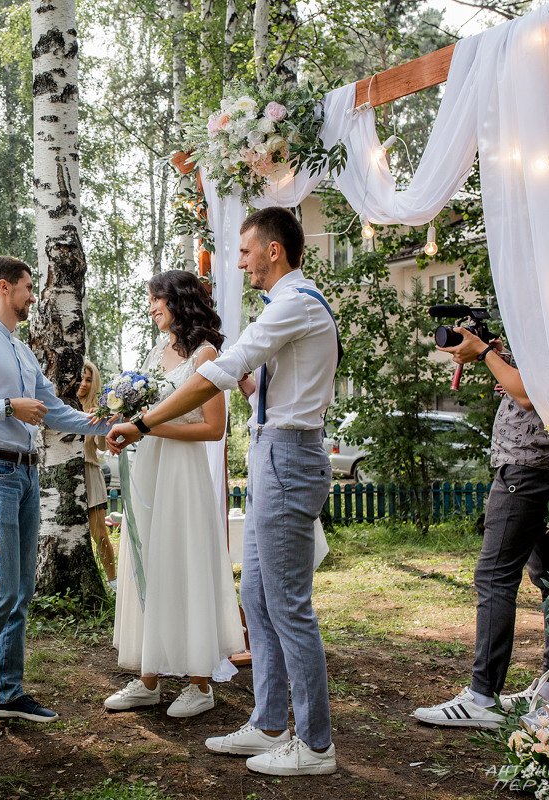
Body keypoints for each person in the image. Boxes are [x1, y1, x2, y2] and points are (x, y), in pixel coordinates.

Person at [109, 207, 339, 777]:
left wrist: (141, 423)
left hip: (288, 453)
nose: (240, 263)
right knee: (258, 598)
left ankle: (314, 744)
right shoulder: (288, 309)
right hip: (273, 451)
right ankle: (267, 724)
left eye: (244, 252)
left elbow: (220, 372)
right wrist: (246, 378)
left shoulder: (295, 304)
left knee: (287, 603)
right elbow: (257, 378)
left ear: (274, 251)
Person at [0, 255, 111, 736]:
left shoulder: (23, 351)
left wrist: (112, 424)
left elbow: (54, 411)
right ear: (4, 288)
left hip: (29, 476)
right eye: (29, 288)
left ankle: (7, 693)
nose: (35, 296)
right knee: (2, 591)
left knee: (22, 591)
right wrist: (7, 405)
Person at [412, 331, 549, 727]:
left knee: (494, 577)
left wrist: (484, 353)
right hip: (546, 467)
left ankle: (483, 695)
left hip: (526, 467)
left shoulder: (547, 325)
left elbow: (525, 393)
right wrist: (499, 357)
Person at [104, 270, 244, 718]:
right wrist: (124, 423)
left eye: (156, 300)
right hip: (149, 469)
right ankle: (148, 677)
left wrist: (146, 427)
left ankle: (199, 682)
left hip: (181, 475)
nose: (151, 308)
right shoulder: (155, 352)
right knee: (150, 564)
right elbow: (142, 410)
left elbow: (213, 427)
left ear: (178, 301)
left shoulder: (206, 355)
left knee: (182, 563)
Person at [77, 361, 117, 587]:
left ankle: (113, 582)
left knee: (99, 534)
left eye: (88, 379)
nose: (83, 383)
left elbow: (102, 447)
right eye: (81, 378)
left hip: (90, 471)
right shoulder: (60, 404)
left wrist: (101, 422)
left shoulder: (96, 406)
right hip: (62, 474)